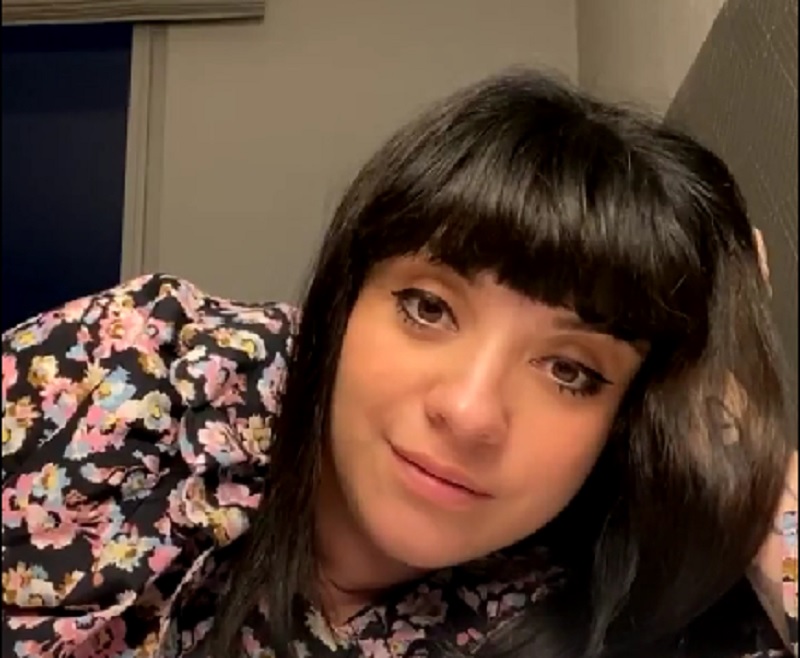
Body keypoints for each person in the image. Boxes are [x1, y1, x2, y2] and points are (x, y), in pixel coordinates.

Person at [2, 71, 797, 658]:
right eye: (427, 307)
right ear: (345, 299)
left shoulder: (598, 591)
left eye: (570, 371)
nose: (470, 411)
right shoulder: (145, 379)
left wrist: (728, 405)